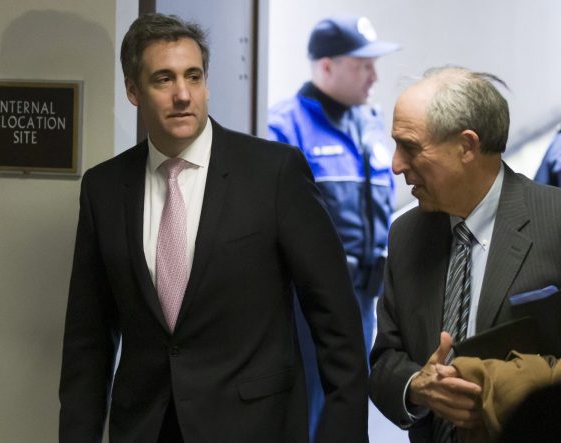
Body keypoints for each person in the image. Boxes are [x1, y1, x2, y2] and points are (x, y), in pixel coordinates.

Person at [59, 12, 368, 443]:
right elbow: (87, 340)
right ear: (133, 91)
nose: (183, 95)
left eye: (194, 76)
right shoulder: (104, 187)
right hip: (146, 427)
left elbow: (336, 318)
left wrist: (343, 431)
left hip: (253, 427)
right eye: (163, 80)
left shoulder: (274, 173)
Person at [369, 66, 561, 442]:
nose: (395, 165)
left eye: (409, 146)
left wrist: (506, 389)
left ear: (467, 146)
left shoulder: (553, 221)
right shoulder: (405, 236)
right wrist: (417, 387)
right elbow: (384, 361)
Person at [267, 15, 399, 436]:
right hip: (307, 306)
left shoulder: (371, 126)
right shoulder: (283, 127)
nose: (374, 75)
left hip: (364, 299)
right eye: (363, 65)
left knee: (349, 409)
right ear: (326, 66)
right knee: (308, 408)